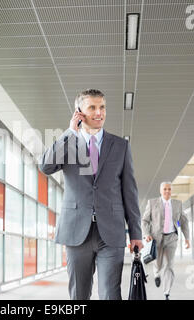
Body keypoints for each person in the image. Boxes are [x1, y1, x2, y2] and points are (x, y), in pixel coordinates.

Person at [38, 89, 143, 300]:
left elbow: (129, 192)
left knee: (111, 294)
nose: (99, 113)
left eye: (102, 107)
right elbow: (45, 166)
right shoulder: (68, 144)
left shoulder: (120, 146)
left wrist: (136, 232)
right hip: (77, 231)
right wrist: (69, 132)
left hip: (111, 232)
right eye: (92, 107)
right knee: (79, 294)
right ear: (79, 112)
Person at [142, 181, 190, 300]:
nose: (167, 191)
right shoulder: (152, 203)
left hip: (171, 238)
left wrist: (187, 238)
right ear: (160, 191)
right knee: (158, 263)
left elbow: (184, 221)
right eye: (165, 189)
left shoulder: (177, 204)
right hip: (156, 239)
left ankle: (166, 292)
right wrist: (147, 234)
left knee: (169, 265)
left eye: (169, 189)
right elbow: (144, 220)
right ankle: (156, 273)